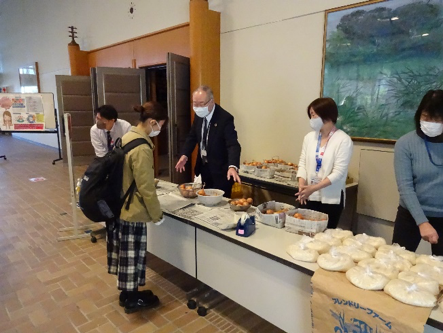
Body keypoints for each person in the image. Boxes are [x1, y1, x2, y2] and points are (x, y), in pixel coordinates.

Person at [107, 101, 167, 314]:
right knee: (133, 254)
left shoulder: (126, 137)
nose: (160, 129)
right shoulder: (142, 147)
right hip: (132, 209)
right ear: (152, 122)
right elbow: (145, 188)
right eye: (160, 125)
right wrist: (157, 214)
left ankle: (127, 293)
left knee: (126, 253)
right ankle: (132, 300)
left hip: (119, 204)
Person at [393, 90, 443, 255]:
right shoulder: (405, 143)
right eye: (426, 116)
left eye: (437, 118)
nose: (430, 122)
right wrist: (422, 222)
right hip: (410, 214)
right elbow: (405, 187)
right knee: (397, 263)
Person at [296, 97, 353, 229]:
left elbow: (339, 172)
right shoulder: (310, 137)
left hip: (330, 199)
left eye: (313, 115)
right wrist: (302, 186)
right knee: (302, 233)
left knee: (324, 237)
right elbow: (302, 162)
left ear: (326, 114)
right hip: (308, 195)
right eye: (310, 115)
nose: (311, 119)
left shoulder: (343, 140)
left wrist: (314, 188)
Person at [175, 85, 241, 198]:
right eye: (195, 103)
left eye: (201, 104)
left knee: (220, 205)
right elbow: (192, 136)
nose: (198, 107)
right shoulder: (199, 115)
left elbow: (233, 144)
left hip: (221, 171)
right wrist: (185, 155)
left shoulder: (225, 118)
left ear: (211, 101)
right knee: (204, 200)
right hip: (204, 168)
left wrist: (232, 166)